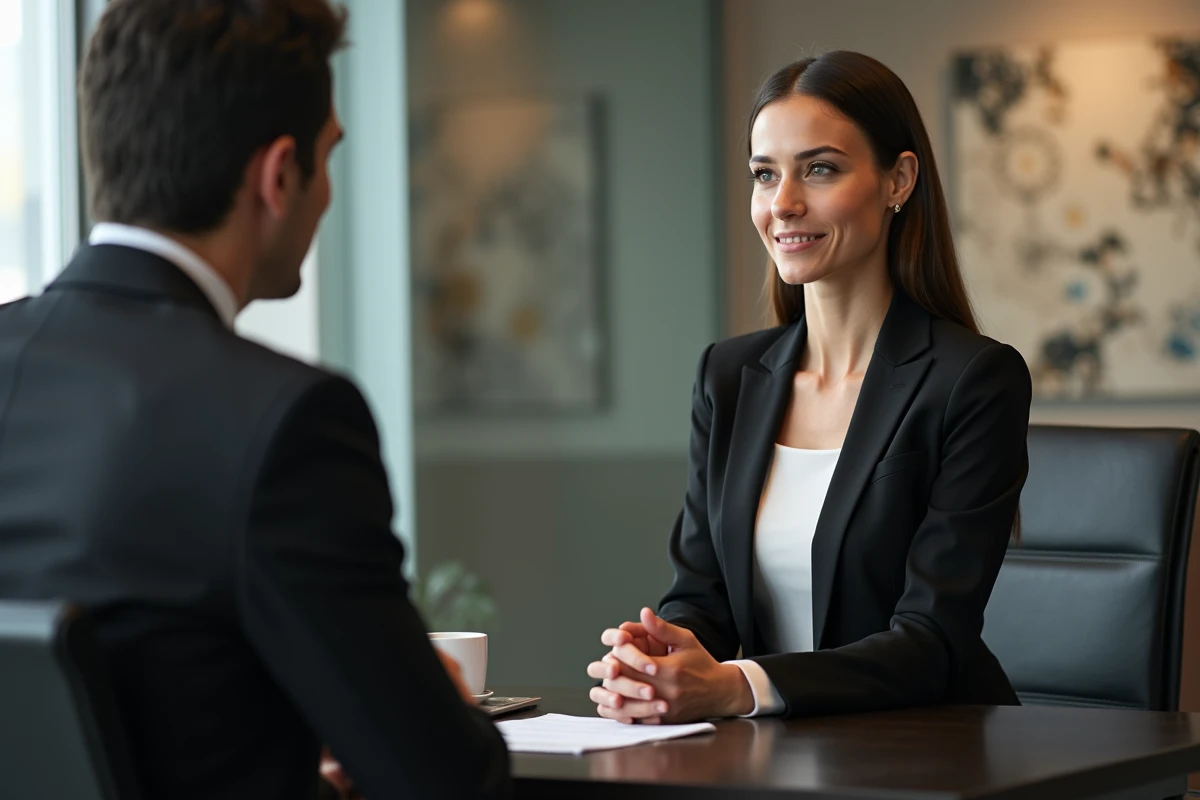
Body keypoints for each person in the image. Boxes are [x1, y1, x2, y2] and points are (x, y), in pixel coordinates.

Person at [0, 1, 510, 798]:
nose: (330, 192)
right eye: (329, 157)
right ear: (279, 176)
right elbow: (441, 781)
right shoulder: (286, 421)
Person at [587, 51, 1032, 723]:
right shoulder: (729, 378)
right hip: (780, 753)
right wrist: (662, 657)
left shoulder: (972, 381)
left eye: (819, 169)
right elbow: (701, 598)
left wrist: (739, 686)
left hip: (934, 754)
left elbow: (931, 640)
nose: (784, 204)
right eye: (765, 175)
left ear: (898, 180)